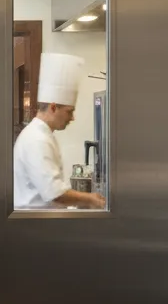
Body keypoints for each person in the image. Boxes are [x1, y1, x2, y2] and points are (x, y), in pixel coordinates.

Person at [14, 52, 106, 210]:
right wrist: (90, 199)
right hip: (36, 225)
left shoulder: (42, 134)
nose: (72, 118)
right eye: (69, 111)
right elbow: (54, 194)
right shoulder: (37, 139)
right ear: (53, 107)